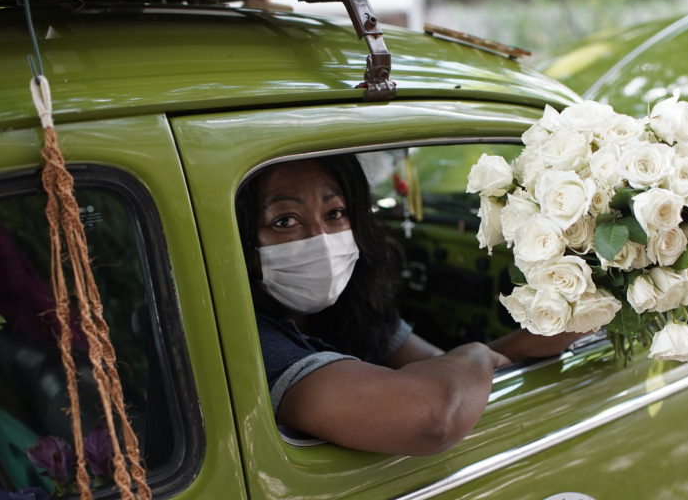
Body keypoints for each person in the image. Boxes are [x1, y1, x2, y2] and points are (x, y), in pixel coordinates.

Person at [236, 155, 579, 456]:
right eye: (284, 221)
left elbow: (443, 371)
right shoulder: (260, 350)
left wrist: (531, 342)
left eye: (335, 213)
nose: (322, 240)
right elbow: (434, 414)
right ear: (243, 241)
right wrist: (478, 354)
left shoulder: (350, 310)